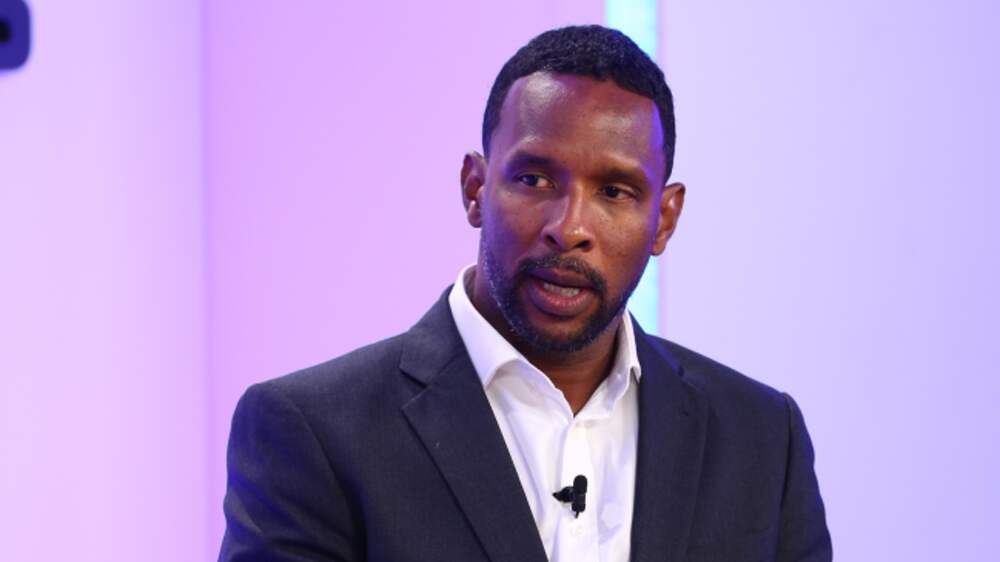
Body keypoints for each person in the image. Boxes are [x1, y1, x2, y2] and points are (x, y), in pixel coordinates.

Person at [219, 25, 832, 562]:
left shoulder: (761, 438)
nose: (570, 227)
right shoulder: (314, 431)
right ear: (475, 189)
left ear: (664, 220)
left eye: (615, 191)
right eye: (535, 178)